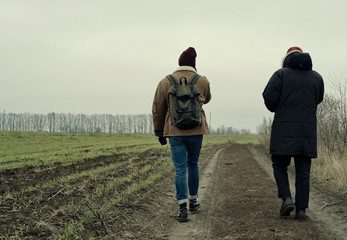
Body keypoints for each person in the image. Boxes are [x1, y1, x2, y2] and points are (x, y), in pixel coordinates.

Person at [262, 47, 324, 221]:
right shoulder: (317, 78)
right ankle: (301, 211)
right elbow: (318, 99)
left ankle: (287, 198)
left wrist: (280, 105)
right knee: (303, 171)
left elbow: (269, 99)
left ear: (287, 59)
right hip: (307, 131)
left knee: (279, 165)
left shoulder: (280, 75)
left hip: (283, 129)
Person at [152, 47, 211, 222]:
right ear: (194, 64)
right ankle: (194, 200)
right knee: (193, 164)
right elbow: (207, 99)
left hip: (174, 130)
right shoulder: (202, 81)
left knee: (180, 169)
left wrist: (159, 132)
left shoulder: (165, 82)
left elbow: (158, 108)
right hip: (196, 130)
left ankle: (182, 207)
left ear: (179, 62)